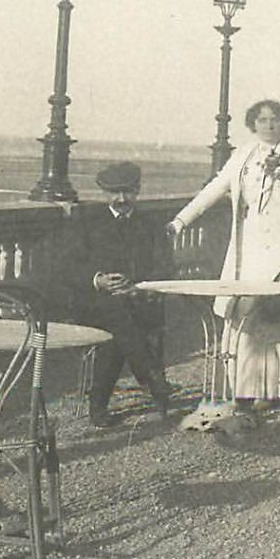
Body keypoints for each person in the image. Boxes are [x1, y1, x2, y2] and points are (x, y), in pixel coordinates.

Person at [170, 96, 280, 421]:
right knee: (241, 317)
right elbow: (216, 188)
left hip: (279, 248)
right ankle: (243, 390)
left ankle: (271, 390)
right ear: (253, 123)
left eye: (275, 119)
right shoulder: (243, 152)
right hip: (247, 247)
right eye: (262, 120)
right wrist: (180, 221)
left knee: (272, 318)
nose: (268, 125)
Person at [69, 161, 175, 427]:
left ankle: (99, 405)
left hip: (138, 300)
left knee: (119, 327)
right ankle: (151, 375)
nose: (121, 199)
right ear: (105, 193)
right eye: (115, 193)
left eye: (127, 192)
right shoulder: (87, 223)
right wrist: (98, 280)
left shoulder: (151, 226)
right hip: (94, 304)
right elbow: (68, 266)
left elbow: (165, 268)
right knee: (117, 314)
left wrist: (135, 285)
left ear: (137, 191)